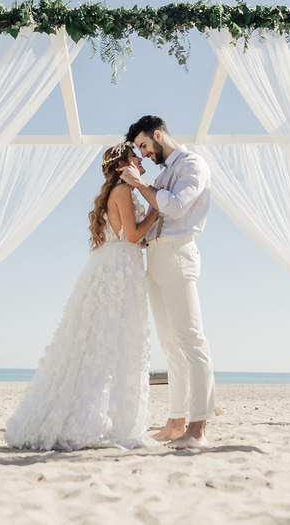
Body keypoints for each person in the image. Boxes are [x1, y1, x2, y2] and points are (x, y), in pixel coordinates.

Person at [4, 143, 159, 451]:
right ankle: (96, 420)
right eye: (135, 156)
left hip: (117, 265)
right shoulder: (123, 192)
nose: (141, 159)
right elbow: (131, 234)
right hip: (119, 272)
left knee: (106, 343)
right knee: (112, 342)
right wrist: (157, 210)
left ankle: (101, 414)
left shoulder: (116, 192)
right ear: (122, 165)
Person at [122, 114, 215, 449]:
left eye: (146, 145)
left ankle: (198, 428)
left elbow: (175, 208)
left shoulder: (192, 165)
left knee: (192, 342)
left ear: (158, 134)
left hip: (178, 255)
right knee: (170, 347)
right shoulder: (162, 175)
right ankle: (175, 422)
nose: (145, 154)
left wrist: (139, 184)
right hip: (155, 257)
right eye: (140, 149)